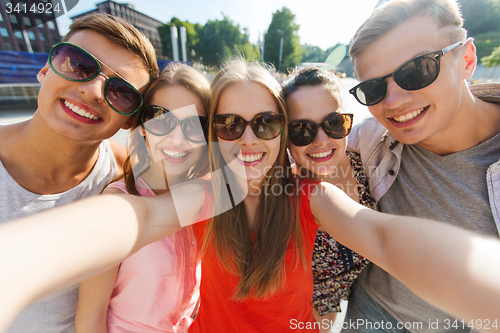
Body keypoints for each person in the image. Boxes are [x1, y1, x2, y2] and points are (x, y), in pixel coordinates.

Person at [1, 61, 500, 333]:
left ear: (284, 130)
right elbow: (131, 218)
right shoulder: (206, 193)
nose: (248, 140)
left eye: (265, 123)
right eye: (229, 124)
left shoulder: (307, 194)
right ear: (212, 133)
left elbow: (383, 239)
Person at [345, 0, 500, 332]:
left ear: (467, 60)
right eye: (373, 89)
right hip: (372, 313)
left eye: (416, 70)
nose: (393, 102)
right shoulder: (371, 137)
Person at [0, 13, 158, 333]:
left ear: (129, 120)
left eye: (122, 92)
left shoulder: (129, 177)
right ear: (46, 69)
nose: (94, 91)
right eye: (78, 64)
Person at [75, 63, 210, 333]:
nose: (177, 137)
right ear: (143, 127)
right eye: (161, 118)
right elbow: (90, 321)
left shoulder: (203, 197)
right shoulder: (116, 208)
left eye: (194, 124)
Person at [282, 67, 371, 332]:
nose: (321, 141)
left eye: (334, 123)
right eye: (302, 130)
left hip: (333, 308)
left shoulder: (368, 166)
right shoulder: (277, 190)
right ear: (284, 137)